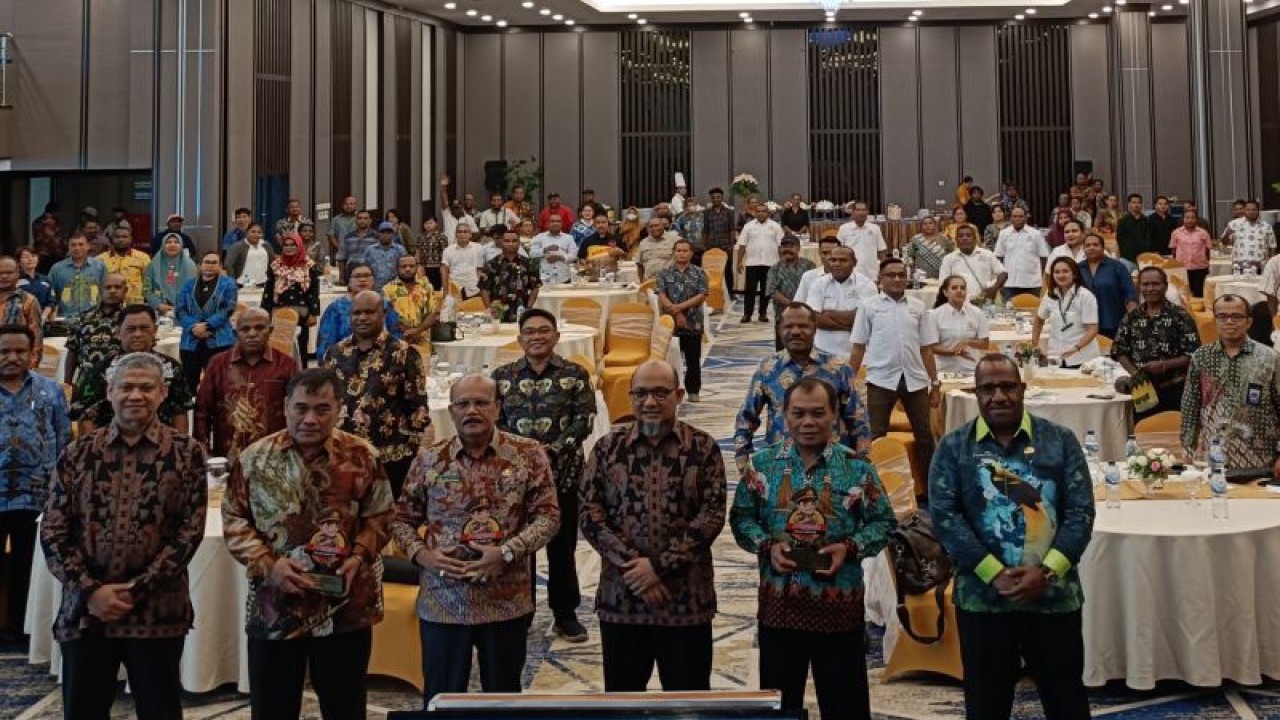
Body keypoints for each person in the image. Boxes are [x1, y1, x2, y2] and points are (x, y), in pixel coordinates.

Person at [41, 351, 208, 720]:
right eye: (126, 387)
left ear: (163, 393)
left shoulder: (186, 453)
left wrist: (136, 590)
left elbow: (189, 533)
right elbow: (53, 530)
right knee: (83, 710)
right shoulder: (78, 453)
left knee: (160, 709)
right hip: (86, 610)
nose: (136, 395)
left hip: (156, 610)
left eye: (146, 387)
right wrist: (90, 590)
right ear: (110, 392)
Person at [930, 353, 1096, 720]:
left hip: (1053, 598)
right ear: (976, 394)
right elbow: (945, 518)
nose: (998, 396)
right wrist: (994, 573)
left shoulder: (1060, 441)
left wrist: (1047, 571)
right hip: (983, 600)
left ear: (1022, 389)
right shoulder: (954, 447)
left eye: (1007, 386)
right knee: (986, 705)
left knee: (1066, 700)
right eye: (988, 388)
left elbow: (1080, 513)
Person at [222, 368, 392, 719]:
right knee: (273, 707)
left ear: (339, 409)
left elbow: (382, 516)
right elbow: (235, 521)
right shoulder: (255, 458)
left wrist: (360, 555)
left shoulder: (363, 456)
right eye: (301, 408)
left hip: (344, 606)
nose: (310, 419)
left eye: (321, 409)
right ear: (286, 407)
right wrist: (270, 564)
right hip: (276, 604)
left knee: (345, 707)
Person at [730, 377, 896, 720]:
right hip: (780, 606)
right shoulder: (762, 466)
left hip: (838, 606)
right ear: (784, 416)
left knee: (845, 705)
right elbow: (742, 519)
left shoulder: (857, 467)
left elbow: (884, 522)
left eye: (818, 413)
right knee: (779, 706)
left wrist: (850, 547)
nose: (808, 422)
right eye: (799, 413)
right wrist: (767, 545)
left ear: (834, 416)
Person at [389, 373, 560, 704]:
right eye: (463, 404)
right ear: (451, 411)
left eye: (481, 403)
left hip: (506, 600)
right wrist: (422, 555)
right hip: (443, 600)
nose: (472, 411)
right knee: (442, 697)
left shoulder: (528, 454)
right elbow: (401, 519)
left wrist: (508, 552)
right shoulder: (429, 459)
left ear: (497, 408)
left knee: (503, 700)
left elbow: (549, 516)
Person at [579, 360, 724, 691]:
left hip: (685, 600)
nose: (650, 402)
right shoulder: (606, 449)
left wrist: (658, 567)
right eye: (641, 393)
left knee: (688, 704)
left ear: (679, 395)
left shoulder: (703, 448)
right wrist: (638, 571)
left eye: (661, 393)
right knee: (623, 703)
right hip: (622, 600)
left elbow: (711, 516)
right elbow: (590, 514)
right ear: (630, 397)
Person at [491, 309, 595, 642]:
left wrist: (551, 451)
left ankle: (565, 613)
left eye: (544, 331)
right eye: (530, 332)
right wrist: (523, 454)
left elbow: (585, 419)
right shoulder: (502, 376)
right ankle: (522, 612)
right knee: (520, 548)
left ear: (556, 336)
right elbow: (496, 421)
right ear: (520, 338)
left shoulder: (575, 374)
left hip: (562, 475)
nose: (537, 337)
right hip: (516, 480)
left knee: (562, 549)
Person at [734, 302, 869, 468]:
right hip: (780, 466)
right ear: (779, 329)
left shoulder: (838, 369)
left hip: (832, 466)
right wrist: (743, 461)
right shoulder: (768, 369)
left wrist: (862, 463)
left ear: (814, 328)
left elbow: (857, 419)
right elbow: (746, 417)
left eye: (803, 326)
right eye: (789, 326)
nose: (796, 332)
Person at [0, 325, 70, 641]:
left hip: (38, 494)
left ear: (33, 354)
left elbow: (64, 436)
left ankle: (22, 628)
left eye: (20, 352)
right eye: (4, 352)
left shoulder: (50, 390)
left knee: (29, 564)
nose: (12, 358)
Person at [322, 291, 429, 496]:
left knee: (386, 519)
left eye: (369, 312)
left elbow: (417, 409)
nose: (362, 318)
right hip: (343, 456)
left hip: (390, 458)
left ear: (384, 313)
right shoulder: (334, 353)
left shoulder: (403, 353)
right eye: (357, 313)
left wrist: (411, 454)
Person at [850, 257, 942, 476]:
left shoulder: (919, 307)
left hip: (915, 380)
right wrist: (848, 382)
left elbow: (927, 349)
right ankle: (872, 487)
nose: (897, 279)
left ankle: (930, 488)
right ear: (880, 279)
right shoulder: (868, 307)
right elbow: (858, 348)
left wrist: (935, 383)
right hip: (881, 380)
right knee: (876, 436)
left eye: (902, 274)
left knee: (925, 436)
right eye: (891, 275)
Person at [1181, 294, 1280, 472]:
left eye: (1236, 316)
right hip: (1213, 461)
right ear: (1215, 321)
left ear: (1249, 322)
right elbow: (1190, 405)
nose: (1229, 321)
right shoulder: (1201, 357)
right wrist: (1188, 448)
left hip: (1261, 461)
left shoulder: (1269, 358)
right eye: (1222, 316)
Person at [194, 307, 298, 464]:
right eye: (245, 329)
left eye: (259, 328)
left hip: (274, 458)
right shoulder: (218, 364)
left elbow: (297, 411)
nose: (252, 334)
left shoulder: (286, 365)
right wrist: (203, 452)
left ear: (270, 330)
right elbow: (202, 411)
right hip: (228, 456)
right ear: (236, 333)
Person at [72, 304, 193, 434]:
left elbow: (180, 412)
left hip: (162, 444)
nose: (137, 334)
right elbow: (85, 416)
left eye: (144, 328)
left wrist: (180, 448)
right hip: (111, 445)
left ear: (155, 330)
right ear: (118, 332)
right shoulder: (99, 370)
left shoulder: (171, 368)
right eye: (131, 329)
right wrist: (92, 451)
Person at [1112, 267, 1201, 417]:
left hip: (1175, 389)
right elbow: (1119, 350)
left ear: (1165, 286)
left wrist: (1165, 365)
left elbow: (1195, 353)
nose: (1150, 289)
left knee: (1173, 435)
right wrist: (1135, 374)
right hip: (1143, 390)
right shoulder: (1132, 317)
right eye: (1145, 285)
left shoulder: (1180, 316)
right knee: (1144, 433)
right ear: (1139, 288)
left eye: (1155, 284)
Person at [176, 252, 239, 394]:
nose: (210, 266)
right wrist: (193, 327)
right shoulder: (188, 284)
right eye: (206, 262)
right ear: (200, 265)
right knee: (189, 383)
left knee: (219, 384)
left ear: (220, 266)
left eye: (214, 262)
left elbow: (228, 308)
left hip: (219, 340)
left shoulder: (228, 284)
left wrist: (207, 325)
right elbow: (180, 309)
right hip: (190, 341)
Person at [656, 239, 709, 401]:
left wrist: (679, 308)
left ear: (691, 253)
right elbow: (661, 294)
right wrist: (675, 311)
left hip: (693, 322)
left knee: (693, 359)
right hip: (669, 324)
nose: (681, 254)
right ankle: (669, 391)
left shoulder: (700, 273)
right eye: (678, 251)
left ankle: (693, 391)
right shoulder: (664, 272)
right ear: (674, 253)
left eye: (685, 251)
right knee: (670, 360)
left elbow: (702, 295)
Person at [803, 246, 877, 359]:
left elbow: (865, 318)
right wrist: (849, 327)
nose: (837, 264)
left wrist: (827, 314)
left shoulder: (866, 285)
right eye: (833, 260)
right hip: (822, 354)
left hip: (858, 356)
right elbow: (813, 318)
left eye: (843, 260)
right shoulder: (818, 284)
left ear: (854, 263)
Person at [314, 264, 399, 359]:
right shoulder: (336, 308)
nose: (362, 280)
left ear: (373, 280)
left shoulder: (385, 304)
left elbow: (396, 334)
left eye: (366, 275)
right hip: (345, 361)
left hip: (383, 360)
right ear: (349, 281)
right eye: (357, 276)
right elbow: (325, 343)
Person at [260, 233, 321, 365]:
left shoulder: (309, 265)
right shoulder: (276, 265)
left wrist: (314, 313)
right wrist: (265, 312)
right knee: (279, 345)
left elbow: (314, 290)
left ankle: (302, 376)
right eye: (286, 245)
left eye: (293, 245)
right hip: (279, 312)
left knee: (301, 346)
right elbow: (269, 289)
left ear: (299, 245)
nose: (289, 248)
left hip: (302, 312)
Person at [1031, 258, 1101, 368]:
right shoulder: (1049, 295)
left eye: (1065, 271)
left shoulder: (1085, 296)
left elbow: (1092, 329)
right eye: (1057, 272)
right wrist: (1034, 345)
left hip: (1082, 357)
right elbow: (1039, 320)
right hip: (1055, 356)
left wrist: (1075, 348)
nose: (1061, 275)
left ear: (1074, 274)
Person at [64, 273, 126, 383]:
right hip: (86, 383)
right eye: (108, 287)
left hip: (120, 383)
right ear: (100, 290)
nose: (112, 291)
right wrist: (67, 382)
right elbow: (72, 352)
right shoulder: (83, 317)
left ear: (125, 290)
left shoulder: (130, 318)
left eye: (117, 287)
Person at [1078, 232, 1137, 339]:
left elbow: (1130, 294)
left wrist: (1133, 319)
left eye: (1095, 245)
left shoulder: (1117, 267)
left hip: (1112, 323)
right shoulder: (1078, 269)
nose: (1091, 248)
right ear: (1083, 248)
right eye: (1088, 245)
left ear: (1103, 247)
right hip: (1085, 325)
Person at [735, 202, 784, 324]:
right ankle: (747, 314)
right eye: (759, 211)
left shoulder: (776, 226)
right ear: (755, 213)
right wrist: (739, 261)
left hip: (770, 263)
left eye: (764, 211)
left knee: (766, 291)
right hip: (752, 263)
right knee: (749, 290)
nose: (761, 213)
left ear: (768, 213)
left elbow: (781, 246)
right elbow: (742, 245)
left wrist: (782, 262)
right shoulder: (748, 226)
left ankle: (763, 313)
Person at [931, 276, 991, 374]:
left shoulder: (977, 313)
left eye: (962, 288)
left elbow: (985, 343)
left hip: (971, 370)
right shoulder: (935, 315)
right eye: (954, 288)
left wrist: (968, 342)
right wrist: (954, 352)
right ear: (945, 292)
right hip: (944, 371)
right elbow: (931, 347)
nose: (959, 291)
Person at [764, 236, 816, 350]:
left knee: (808, 350)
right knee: (783, 351)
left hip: (806, 318)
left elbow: (815, 288)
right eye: (784, 246)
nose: (787, 249)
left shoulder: (809, 265)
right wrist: (793, 306)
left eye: (791, 246)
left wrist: (801, 308)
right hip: (783, 318)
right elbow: (772, 291)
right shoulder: (775, 268)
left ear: (798, 248)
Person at [383, 254, 440, 357]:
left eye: (411, 266)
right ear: (397, 269)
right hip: (398, 341)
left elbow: (434, 313)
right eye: (403, 266)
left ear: (417, 267)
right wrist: (407, 333)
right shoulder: (388, 289)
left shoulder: (426, 287)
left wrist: (417, 331)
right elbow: (388, 315)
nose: (407, 269)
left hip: (423, 340)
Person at [482, 227, 542, 321]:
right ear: (501, 242)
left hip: (521, 313)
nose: (511, 244)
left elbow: (535, 287)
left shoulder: (529, 263)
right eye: (507, 241)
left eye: (514, 241)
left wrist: (529, 308)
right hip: (498, 313)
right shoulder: (491, 264)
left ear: (519, 243)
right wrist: (489, 308)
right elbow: (484, 289)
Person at [939, 225, 1007, 303]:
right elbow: (943, 283)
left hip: (984, 301)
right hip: (959, 303)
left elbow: (1003, 273)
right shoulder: (949, 258)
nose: (965, 238)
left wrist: (993, 289)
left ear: (974, 239)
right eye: (961, 236)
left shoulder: (987, 254)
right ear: (956, 240)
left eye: (968, 235)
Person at [49, 233, 107, 319]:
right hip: (65, 318)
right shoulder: (57, 269)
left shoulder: (99, 267)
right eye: (73, 245)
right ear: (68, 247)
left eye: (81, 244)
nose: (77, 248)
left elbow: (105, 292)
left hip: (93, 318)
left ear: (88, 246)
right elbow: (51, 295)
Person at [994, 207, 1047, 300]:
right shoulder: (1003, 234)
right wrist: (1000, 280)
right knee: (1009, 312)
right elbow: (999, 257)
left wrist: (1042, 279)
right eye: (1014, 216)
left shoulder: (1035, 234)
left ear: (1026, 218)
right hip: (1009, 283)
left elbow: (1043, 257)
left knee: (1032, 312)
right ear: (1010, 218)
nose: (1017, 219)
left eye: (1020, 216)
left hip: (1032, 283)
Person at [0, 256, 44, 360]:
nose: (4, 276)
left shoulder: (28, 300)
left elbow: (36, 335)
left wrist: (33, 363)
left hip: (14, 360)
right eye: (0, 273)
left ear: (18, 274)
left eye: (9, 273)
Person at [97, 224, 150, 305]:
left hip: (135, 304)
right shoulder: (100, 259)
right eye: (117, 237)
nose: (121, 239)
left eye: (125, 237)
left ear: (131, 239)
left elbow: (148, 283)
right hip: (109, 304)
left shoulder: (143, 257)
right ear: (111, 239)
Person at [143, 234, 197, 314]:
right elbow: (146, 289)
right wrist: (158, 304)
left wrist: (180, 306)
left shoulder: (191, 266)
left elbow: (194, 290)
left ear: (181, 245)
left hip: (185, 310)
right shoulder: (153, 265)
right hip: (158, 310)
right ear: (163, 245)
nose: (172, 245)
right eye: (168, 242)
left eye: (176, 242)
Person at [836, 200, 887, 281]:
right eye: (858, 210)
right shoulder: (844, 228)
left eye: (863, 210)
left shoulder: (875, 229)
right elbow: (838, 251)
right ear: (852, 212)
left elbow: (881, 251)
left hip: (871, 274)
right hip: (850, 274)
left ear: (867, 212)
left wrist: (884, 271)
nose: (861, 213)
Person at [1169, 206, 1214, 297]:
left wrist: (1205, 262)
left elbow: (1208, 250)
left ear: (1196, 219)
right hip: (1182, 268)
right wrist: (1177, 265)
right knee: (1183, 294)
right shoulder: (1176, 233)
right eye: (1187, 218)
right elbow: (1173, 249)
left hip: (1200, 268)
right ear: (1183, 219)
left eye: (1192, 218)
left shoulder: (1203, 233)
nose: (1190, 220)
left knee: (1198, 294)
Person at [702, 187, 738, 295]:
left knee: (727, 271)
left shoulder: (729, 212)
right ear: (711, 199)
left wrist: (731, 245)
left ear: (722, 198)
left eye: (718, 197)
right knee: (711, 271)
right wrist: (705, 246)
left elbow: (732, 229)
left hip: (725, 246)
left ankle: (730, 294)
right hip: (711, 246)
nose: (716, 199)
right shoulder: (706, 213)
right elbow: (705, 230)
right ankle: (712, 294)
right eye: (713, 198)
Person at [1225, 199, 1276, 273]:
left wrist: (1272, 265)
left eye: (1254, 210)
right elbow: (1225, 242)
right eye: (1248, 210)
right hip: (1240, 267)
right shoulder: (1234, 224)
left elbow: (1272, 247)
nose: (1251, 212)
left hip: (1261, 267)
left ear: (1258, 210)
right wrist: (1227, 233)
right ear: (1245, 211)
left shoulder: (1266, 226)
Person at [792, 232, 840, 307]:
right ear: (819, 253)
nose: (829, 257)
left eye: (832, 253)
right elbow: (798, 304)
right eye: (825, 253)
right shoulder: (808, 276)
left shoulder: (854, 278)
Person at [441, 223, 488, 298]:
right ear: (456, 235)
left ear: (470, 234)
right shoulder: (448, 250)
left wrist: (481, 289)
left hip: (474, 289)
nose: (462, 234)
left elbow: (479, 270)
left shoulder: (478, 248)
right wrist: (445, 291)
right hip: (454, 289)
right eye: (459, 232)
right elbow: (444, 271)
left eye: (465, 232)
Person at [226, 221, 277, 286]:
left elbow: (273, 263)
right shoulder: (237, 247)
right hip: (242, 284)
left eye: (259, 232)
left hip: (263, 283)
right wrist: (232, 282)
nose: (256, 234)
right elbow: (228, 265)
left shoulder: (266, 245)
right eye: (253, 231)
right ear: (246, 233)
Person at [365, 220, 408, 289]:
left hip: (395, 288)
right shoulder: (370, 250)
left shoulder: (400, 249)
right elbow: (365, 268)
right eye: (383, 232)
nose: (386, 235)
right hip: (375, 288)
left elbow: (405, 268)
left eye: (388, 233)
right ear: (378, 234)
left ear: (393, 234)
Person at [16, 246, 55, 319]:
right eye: (25, 257)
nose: (30, 259)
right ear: (18, 261)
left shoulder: (45, 279)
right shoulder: (15, 280)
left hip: (43, 320)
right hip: (21, 320)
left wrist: (43, 316)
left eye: (33, 256)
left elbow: (51, 302)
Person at [413, 215, 450, 289]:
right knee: (424, 287)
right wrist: (418, 265)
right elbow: (418, 251)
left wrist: (443, 266)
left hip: (437, 267)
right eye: (425, 223)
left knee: (437, 288)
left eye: (430, 223)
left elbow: (445, 253)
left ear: (436, 223)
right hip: (424, 267)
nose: (428, 225)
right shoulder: (420, 237)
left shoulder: (442, 237)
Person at [637, 217, 676, 282]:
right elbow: (639, 265)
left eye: (656, 225)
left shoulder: (674, 240)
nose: (654, 228)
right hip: (650, 282)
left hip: (670, 282)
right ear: (647, 229)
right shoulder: (643, 243)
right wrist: (642, 282)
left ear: (663, 226)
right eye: (651, 226)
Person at [1116, 193, 1151, 263]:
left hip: (1144, 258)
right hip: (1127, 258)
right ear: (1129, 204)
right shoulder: (1123, 221)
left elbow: (1148, 238)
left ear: (1141, 204)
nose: (1136, 205)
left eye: (1138, 202)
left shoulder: (1146, 220)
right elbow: (1119, 240)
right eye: (1134, 202)